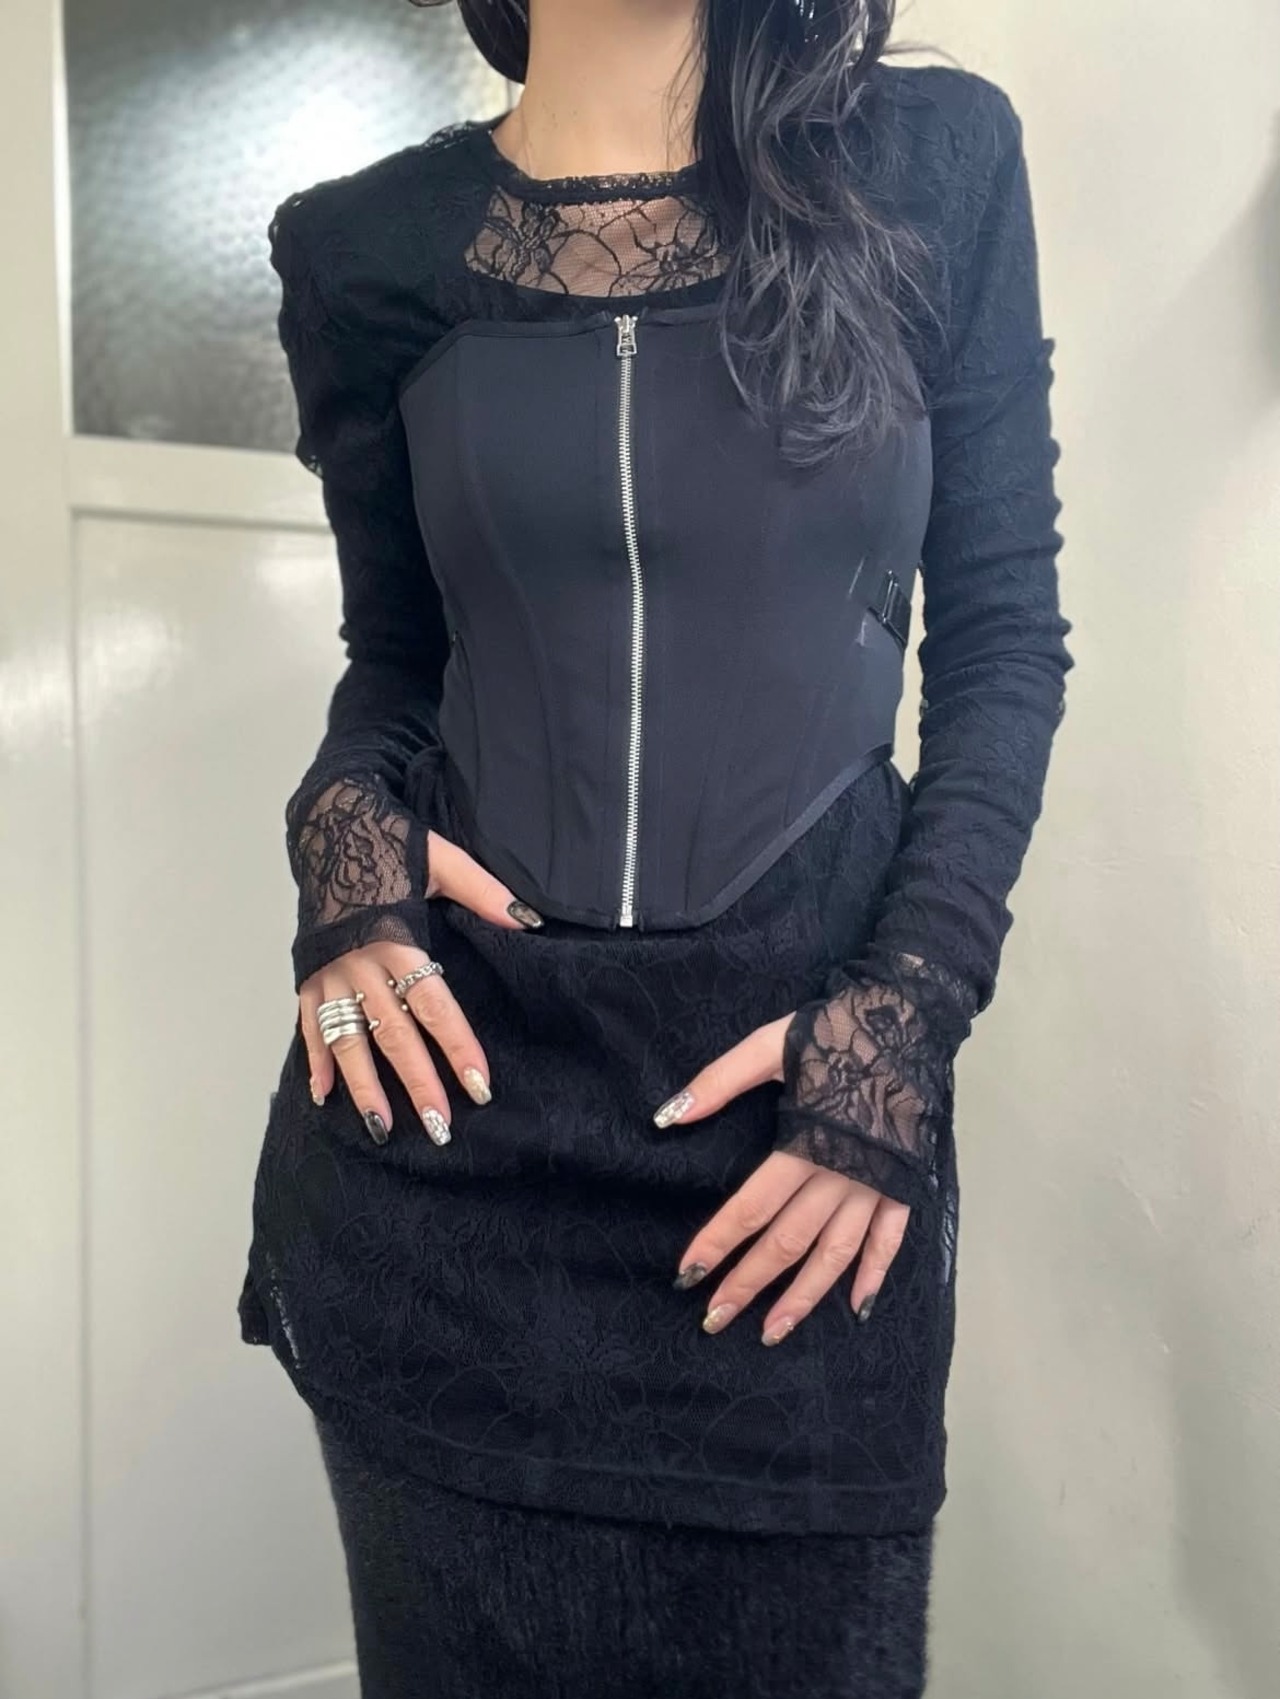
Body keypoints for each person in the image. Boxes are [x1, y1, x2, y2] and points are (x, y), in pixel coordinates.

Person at [236, 0, 1074, 1692]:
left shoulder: (932, 163)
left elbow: (1002, 644)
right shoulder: (362, 248)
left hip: (798, 1155)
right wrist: (343, 857)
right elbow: (398, 660)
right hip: (449, 1152)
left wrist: (901, 1024)